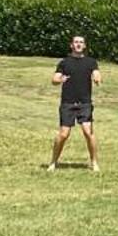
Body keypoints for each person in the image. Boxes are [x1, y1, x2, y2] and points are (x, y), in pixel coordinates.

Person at [48, 35, 102, 173]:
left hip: (84, 103)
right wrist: (60, 79)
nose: (78, 44)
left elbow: (97, 74)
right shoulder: (64, 63)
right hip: (68, 103)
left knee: (88, 132)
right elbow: (54, 79)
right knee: (63, 134)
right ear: (71, 45)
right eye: (76, 42)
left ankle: (94, 162)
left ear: (84, 46)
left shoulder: (91, 62)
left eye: (81, 42)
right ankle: (53, 162)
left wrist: (97, 78)